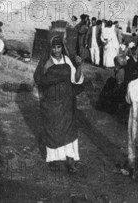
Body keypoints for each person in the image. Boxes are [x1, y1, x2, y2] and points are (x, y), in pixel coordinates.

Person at [33, 35, 84, 174]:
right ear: (51, 49)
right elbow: (39, 79)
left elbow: (76, 79)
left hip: (67, 101)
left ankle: (70, 161)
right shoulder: (47, 63)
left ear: (62, 47)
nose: (56, 50)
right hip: (51, 102)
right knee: (53, 129)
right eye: (54, 47)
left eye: (59, 47)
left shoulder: (67, 60)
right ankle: (54, 160)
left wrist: (79, 65)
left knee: (68, 130)